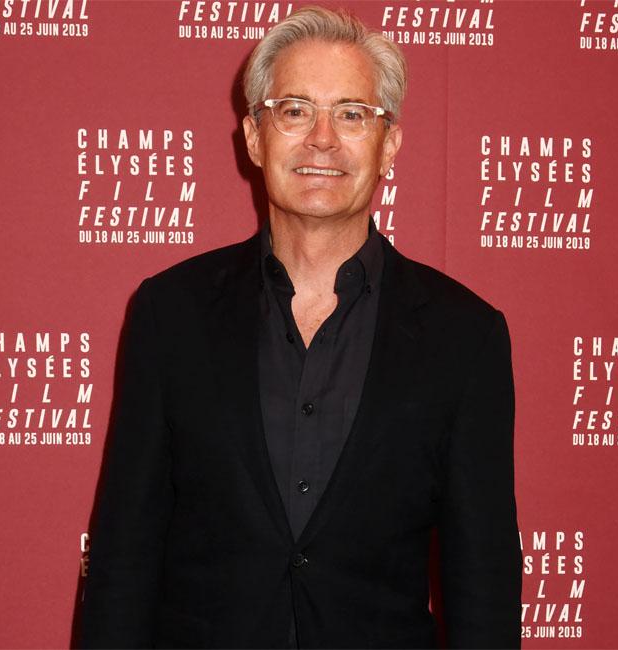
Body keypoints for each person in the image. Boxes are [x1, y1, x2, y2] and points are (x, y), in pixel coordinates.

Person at [79, 6, 521, 649]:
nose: (322, 139)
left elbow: (484, 585)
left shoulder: (466, 336)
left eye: (352, 114)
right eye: (294, 110)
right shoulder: (168, 313)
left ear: (389, 144)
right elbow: (124, 557)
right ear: (254, 137)